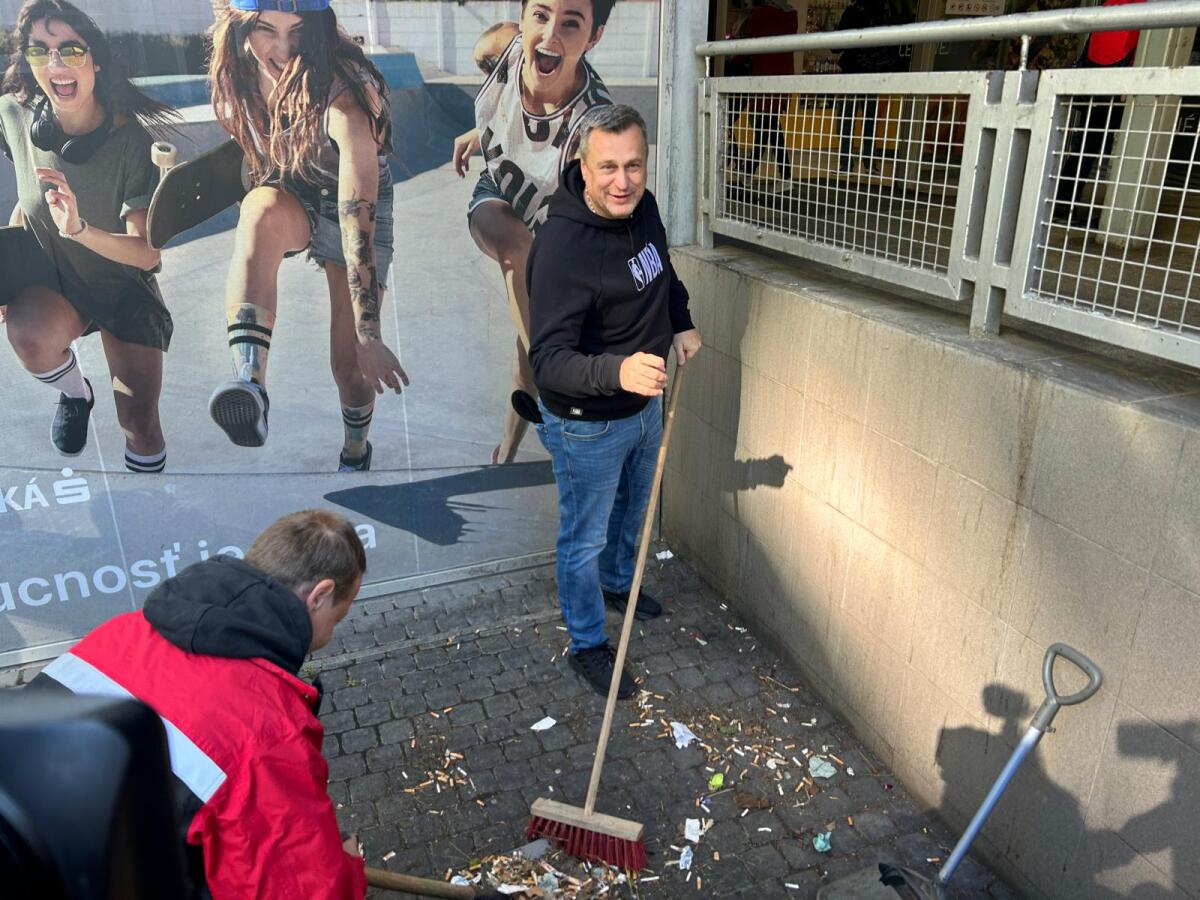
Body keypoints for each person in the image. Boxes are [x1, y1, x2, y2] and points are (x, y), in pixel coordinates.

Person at [28, 509, 369, 899]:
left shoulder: (118, 632)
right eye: (339, 616)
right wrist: (345, 868)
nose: (331, 631)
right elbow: (304, 888)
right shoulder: (266, 733)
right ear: (320, 595)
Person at [526, 105, 701, 698]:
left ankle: (618, 585)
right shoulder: (561, 247)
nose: (623, 181)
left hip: (643, 405)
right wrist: (619, 371)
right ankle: (586, 642)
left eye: (634, 165)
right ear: (583, 164)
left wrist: (681, 320)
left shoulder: (641, 208)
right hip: (587, 425)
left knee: (634, 511)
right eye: (608, 168)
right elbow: (547, 361)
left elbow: (663, 271)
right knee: (584, 537)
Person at [205, 0, 408, 471]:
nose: (281, 49)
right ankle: (250, 385)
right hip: (296, 194)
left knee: (350, 366)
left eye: (297, 31)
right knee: (259, 212)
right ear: (240, 26)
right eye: (266, 30)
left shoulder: (344, 91)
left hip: (357, 211)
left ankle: (355, 451)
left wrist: (369, 332)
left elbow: (357, 215)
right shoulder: (236, 69)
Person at [0, 0, 178, 472]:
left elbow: (145, 254)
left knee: (140, 426)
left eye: (70, 49)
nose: (56, 64)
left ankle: (150, 523)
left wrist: (78, 228)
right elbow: (27, 186)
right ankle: (76, 395)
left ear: (95, 58)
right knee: (26, 333)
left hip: (122, 288)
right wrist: (11, 266)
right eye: (40, 51)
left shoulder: (134, 144)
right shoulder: (14, 116)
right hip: (56, 285)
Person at [453, 0, 616, 465]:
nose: (549, 38)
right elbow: (491, 51)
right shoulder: (512, 45)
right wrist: (477, 130)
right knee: (515, 248)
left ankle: (507, 449)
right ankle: (554, 377)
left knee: (530, 340)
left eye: (571, 25)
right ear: (523, 19)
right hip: (498, 197)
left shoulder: (594, 124)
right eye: (540, 18)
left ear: (594, 37)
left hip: (556, 226)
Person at [728, 0, 798, 185]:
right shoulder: (791, 15)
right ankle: (778, 175)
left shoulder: (760, 15)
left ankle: (753, 173)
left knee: (767, 127)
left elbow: (750, 47)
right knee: (770, 127)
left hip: (763, 77)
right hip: (783, 77)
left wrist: (732, 58)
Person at [835, 0, 904, 173]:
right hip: (874, 73)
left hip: (853, 72)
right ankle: (869, 162)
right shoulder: (884, 12)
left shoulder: (852, 12)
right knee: (870, 120)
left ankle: (846, 163)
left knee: (847, 120)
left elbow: (835, 46)